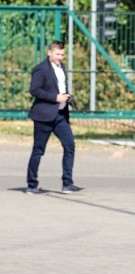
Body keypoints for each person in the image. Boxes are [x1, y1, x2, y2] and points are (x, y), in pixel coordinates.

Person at [26, 40, 83, 194]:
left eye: (63, 54)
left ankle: (67, 183)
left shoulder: (61, 67)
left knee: (69, 145)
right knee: (38, 150)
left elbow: (61, 87)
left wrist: (67, 97)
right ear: (50, 53)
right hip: (44, 116)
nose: (60, 57)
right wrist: (55, 97)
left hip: (60, 116)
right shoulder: (40, 69)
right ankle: (32, 185)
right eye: (58, 54)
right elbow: (34, 90)